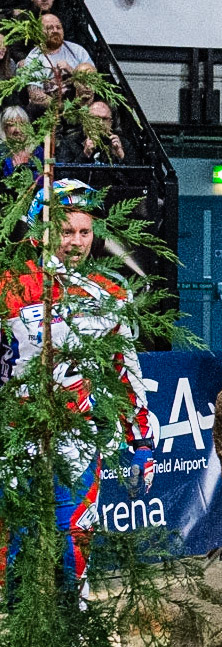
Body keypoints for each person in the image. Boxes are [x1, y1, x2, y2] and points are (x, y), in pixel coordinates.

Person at [0, 186, 154, 587]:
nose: (77, 242)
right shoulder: (11, 285)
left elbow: (125, 373)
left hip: (78, 437)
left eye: (85, 232)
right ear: (42, 231)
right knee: (10, 545)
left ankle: (75, 634)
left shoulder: (109, 292)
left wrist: (141, 444)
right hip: (16, 434)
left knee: (74, 541)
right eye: (66, 232)